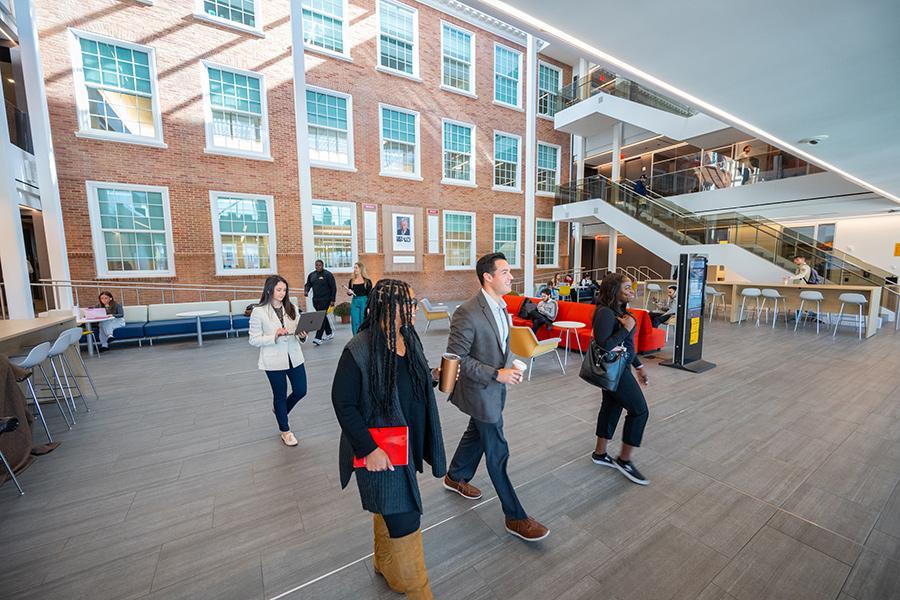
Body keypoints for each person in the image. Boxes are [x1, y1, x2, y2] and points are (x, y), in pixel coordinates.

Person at [332, 279, 446, 599]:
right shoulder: (360, 348)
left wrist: (434, 376)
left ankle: (383, 562)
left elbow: (414, 376)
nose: (411, 308)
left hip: (404, 447)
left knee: (388, 508)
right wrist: (369, 449)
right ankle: (420, 592)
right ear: (387, 307)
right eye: (406, 304)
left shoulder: (408, 337)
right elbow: (343, 403)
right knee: (405, 519)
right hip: (380, 451)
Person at [443, 252, 550, 542]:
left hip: (493, 390)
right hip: (480, 391)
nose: (511, 276)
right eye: (505, 272)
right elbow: (456, 359)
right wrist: (495, 374)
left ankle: (455, 476)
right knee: (497, 452)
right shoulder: (467, 312)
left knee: (476, 434)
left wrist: (506, 370)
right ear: (487, 277)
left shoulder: (502, 307)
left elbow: (497, 345)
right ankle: (515, 517)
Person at [590, 273, 651, 485]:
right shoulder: (605, 313)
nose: (631, 290)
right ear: (614, 290)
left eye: (630, 286)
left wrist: (639, 366)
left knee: (611, 407)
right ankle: (624, 460)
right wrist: (626, 329)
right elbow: (604, 346)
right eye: (626, 287)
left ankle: (600, 453)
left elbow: (626, 347)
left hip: (621, 368)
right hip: (614, 371)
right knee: (640, 410)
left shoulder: (620, 311)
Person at [249, 275, 308, 447]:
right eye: (279, 290)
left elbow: (298, 331)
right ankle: (285, 431)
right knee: (280, 395)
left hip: (294, 357)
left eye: (284, 290)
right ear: (269, 290)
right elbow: (253, 340)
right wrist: (273, 336)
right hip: (273, 360)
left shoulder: (292, 308)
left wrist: (302, 336)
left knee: (300, 390)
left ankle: (280, 410)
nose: (282, 293)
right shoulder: (259, 312)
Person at [305, 259, 337, 345]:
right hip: (316, 300)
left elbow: (333, 288)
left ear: (322, 265)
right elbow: (308, 284)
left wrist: (333, 300)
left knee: (320, 318)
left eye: (319, 265)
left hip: (326, 300)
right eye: (316, 265)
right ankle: (329, 333)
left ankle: (318, 338)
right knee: (323, 316)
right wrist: (306, 291)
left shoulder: (328, 275)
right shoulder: (312, 275)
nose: (317, 267)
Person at [347, 262, 373, 335]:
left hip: (364, 301)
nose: (354, 269)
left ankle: (363, 337)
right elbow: (350, 292)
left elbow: (370, 295)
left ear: (361, 269)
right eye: (354, 268)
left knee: (363, 320)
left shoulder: (367, 281)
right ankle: (356, 338)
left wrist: (369, 307)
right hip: (355, 301)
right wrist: (349, 292)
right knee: (355, 321)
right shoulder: (351, 280)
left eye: (356, 268)